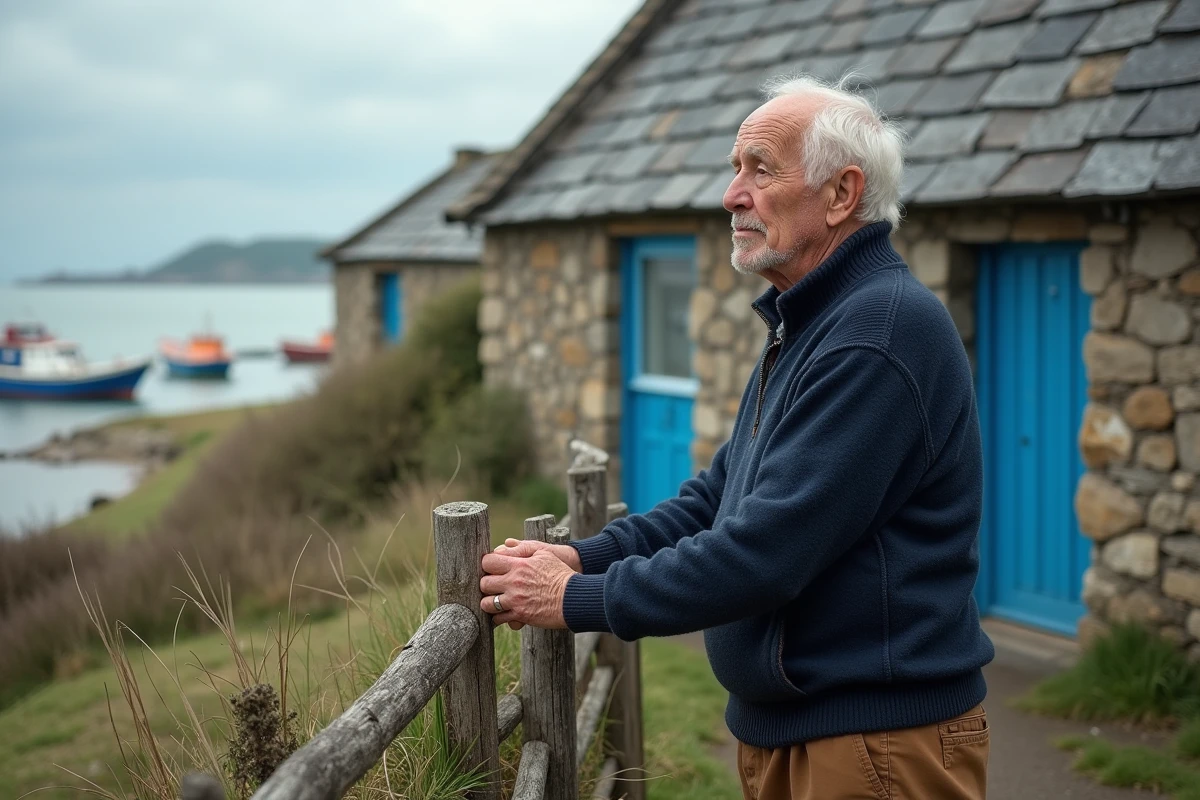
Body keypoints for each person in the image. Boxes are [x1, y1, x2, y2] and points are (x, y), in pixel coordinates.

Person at [478, 74, 994, 800]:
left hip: (873, 745)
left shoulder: (876, 335)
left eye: (760, 168)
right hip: (811, 732)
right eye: (734, 168)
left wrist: (576, 598)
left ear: (842, 195)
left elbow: (763, 553)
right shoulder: (814, 320)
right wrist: (579, 555)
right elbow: (714, 501)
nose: (732, 194)